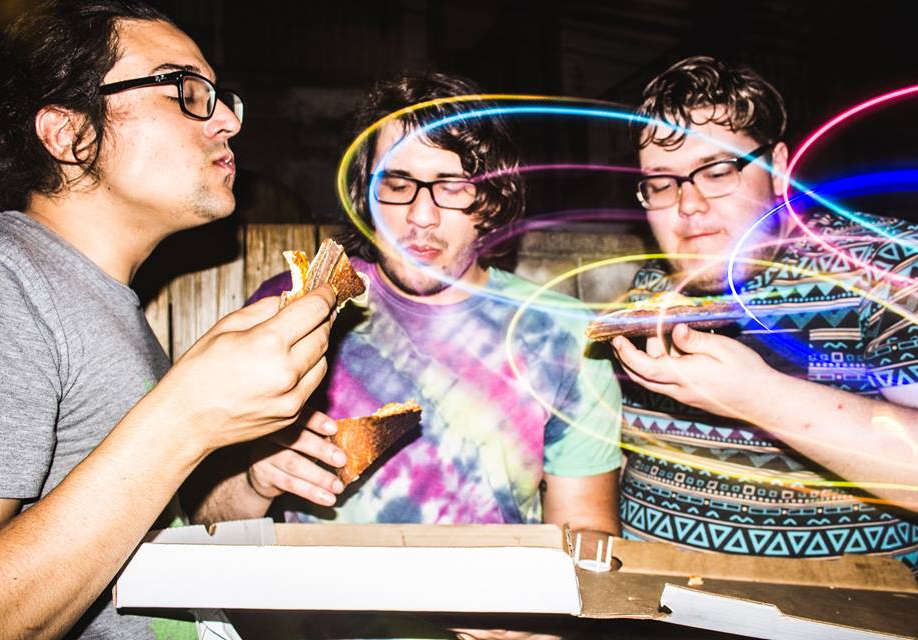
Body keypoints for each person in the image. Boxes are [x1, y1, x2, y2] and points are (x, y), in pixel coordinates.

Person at [192, 72, 623, 639]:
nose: (420, 216)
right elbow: (206, 521)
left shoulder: (559, 335)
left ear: (491, 198)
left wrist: (543, 614)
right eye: (396, 182)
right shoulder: (291, 310)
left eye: (452, 186)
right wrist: (255, 480)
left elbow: (587, 530)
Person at [0, 2, 341, 638]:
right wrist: (187, 415)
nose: (229, 120)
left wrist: (250, 478)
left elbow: (147, 529)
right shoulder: (2, 278)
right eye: (186, 90)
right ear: (70, 135)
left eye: (221, 97)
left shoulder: (107, 301)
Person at [611, 55, 918, 582]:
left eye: (717, 171)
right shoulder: (651, 287)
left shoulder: (890, 264)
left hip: (835, 610)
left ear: (779, 166)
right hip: (646, 602)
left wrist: (759, 395)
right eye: (661, 183)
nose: (688, 204)